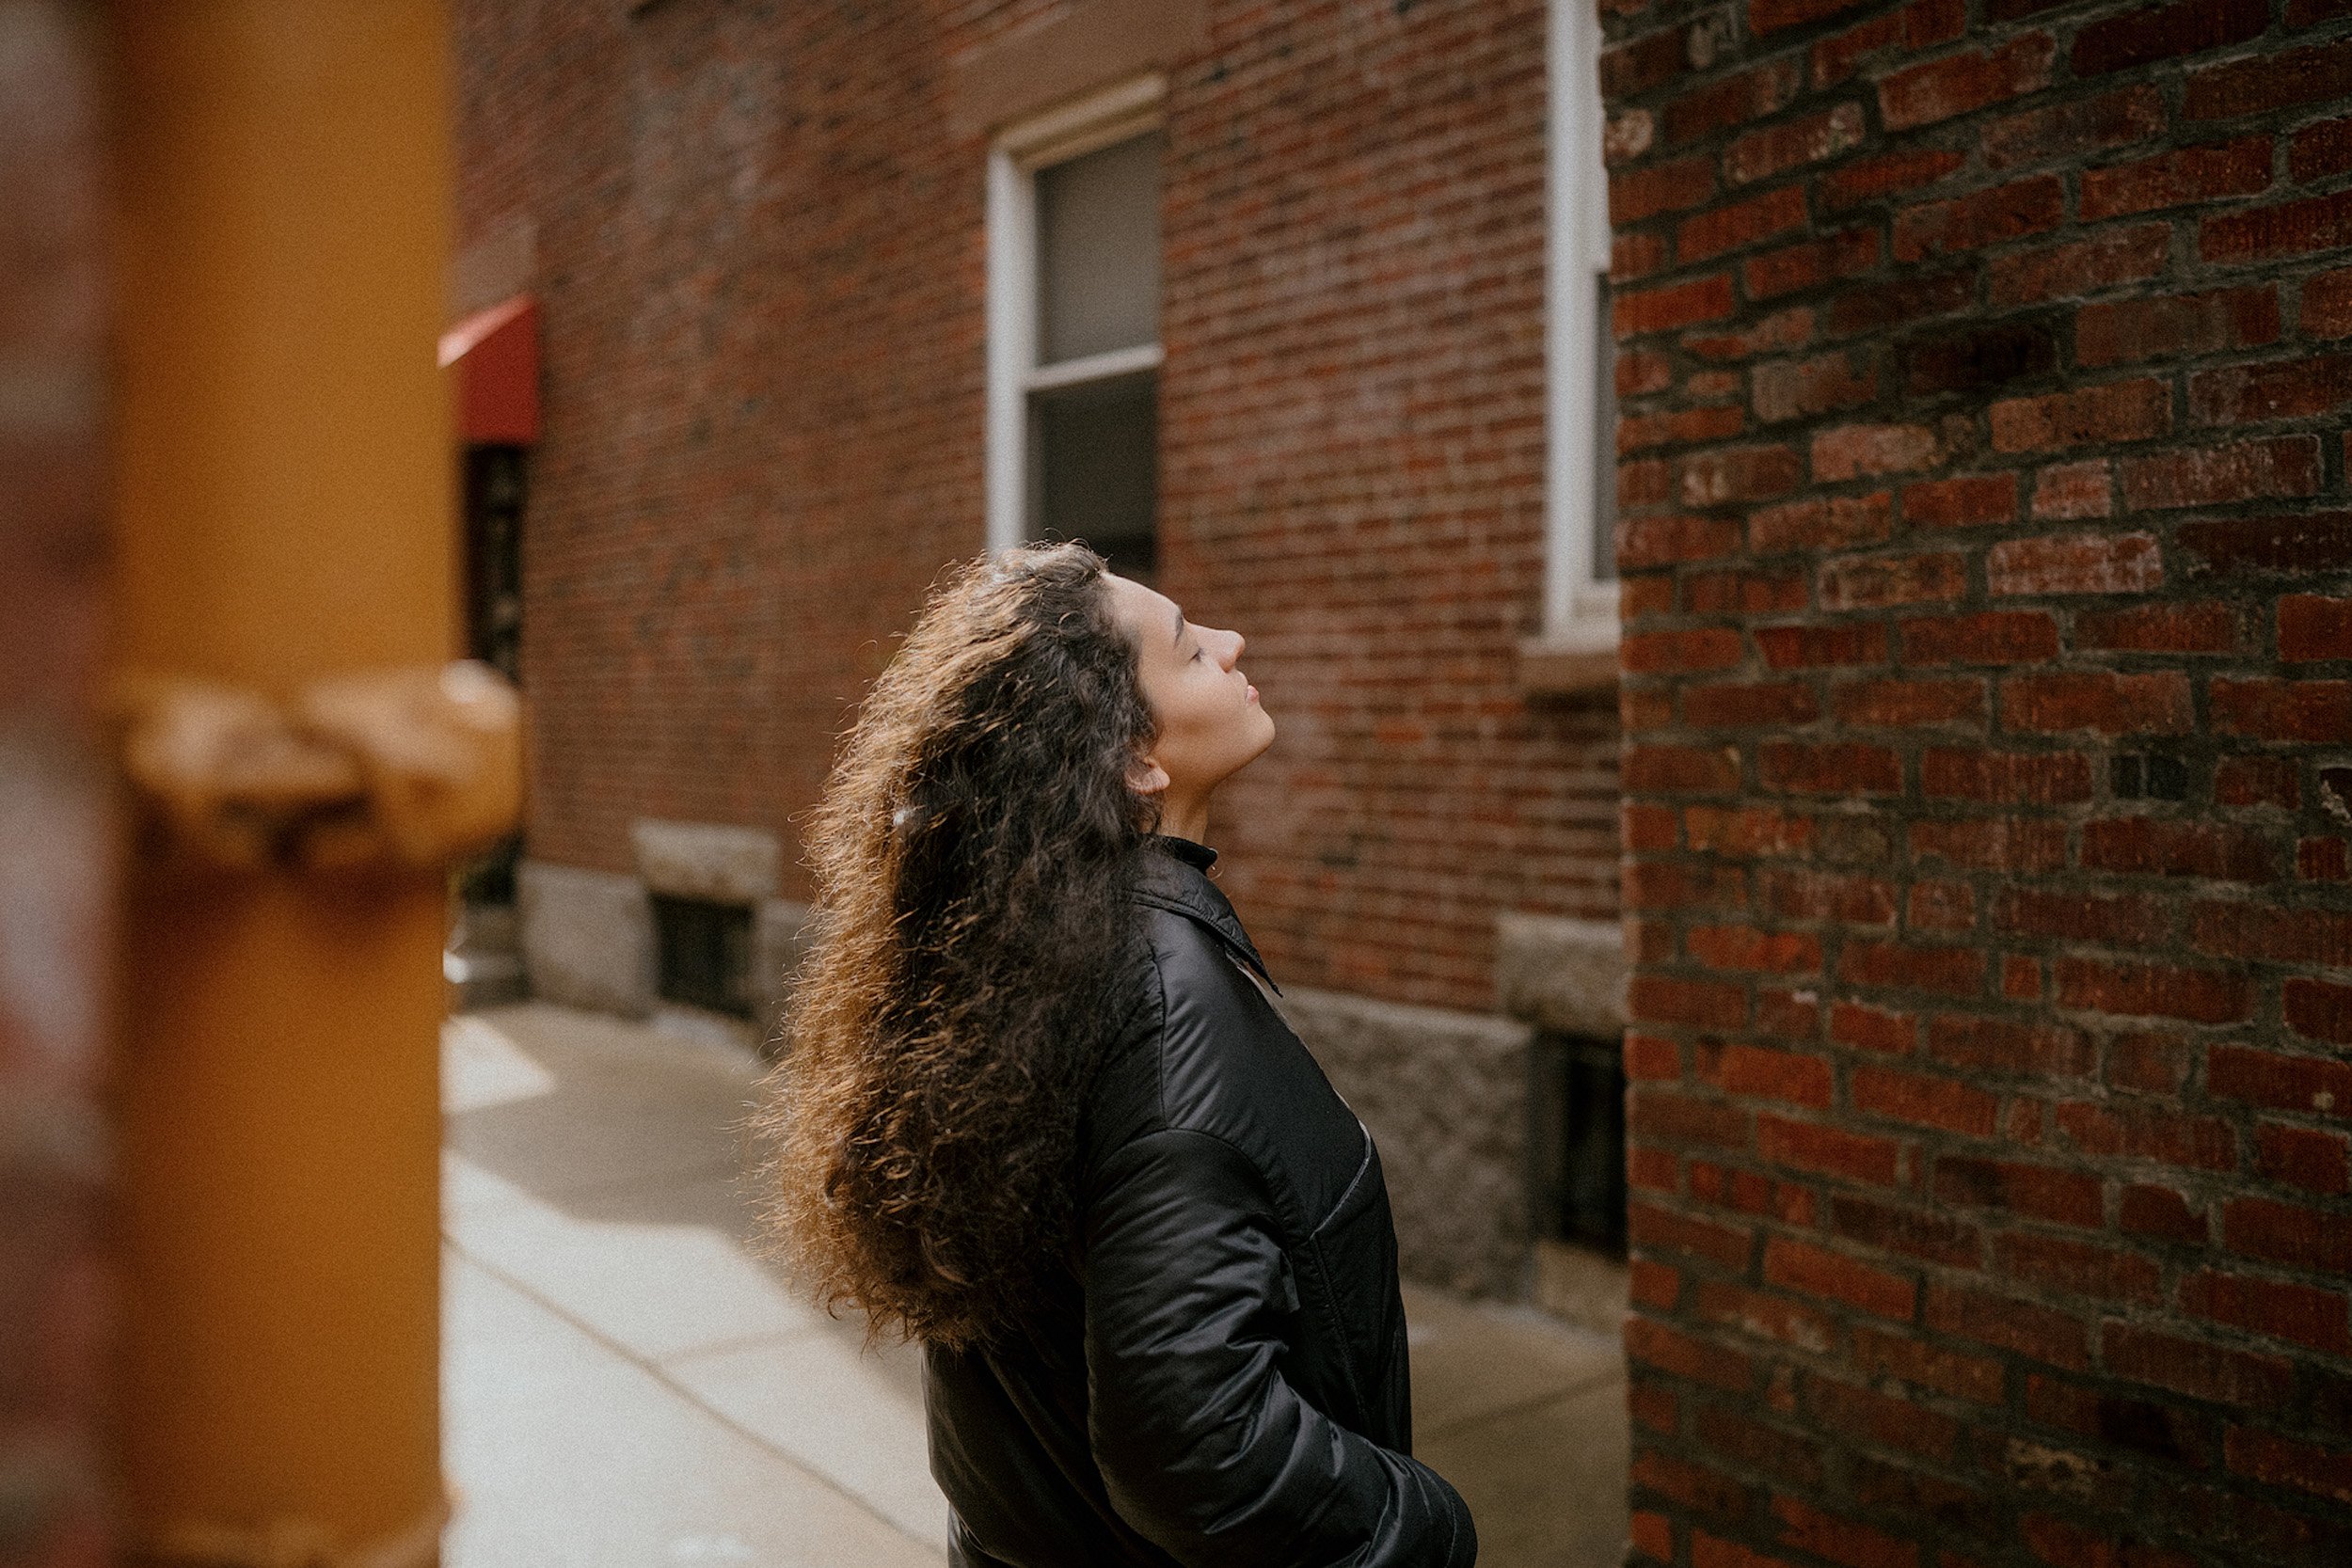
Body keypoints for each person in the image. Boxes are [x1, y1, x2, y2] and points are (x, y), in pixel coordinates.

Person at [755, 542, 1477, 1566]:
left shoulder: (1037, 959)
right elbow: (1191, 1445)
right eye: (1189, 650)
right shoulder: (1165, 1003)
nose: (1233, 643)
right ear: (1133, 757)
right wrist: (1424, 1523)